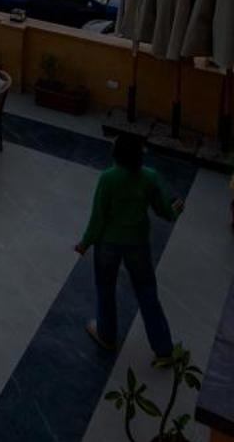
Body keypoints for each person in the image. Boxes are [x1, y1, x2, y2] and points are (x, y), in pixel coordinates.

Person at [77, 132, 184, 362]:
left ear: (116, 155)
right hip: (138, 244)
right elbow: (164, 211)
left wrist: (85, 243)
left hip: (107, 244)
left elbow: (98, 218)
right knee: (147, 293)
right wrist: (176, 209)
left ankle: (106, 335)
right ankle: (163, 348)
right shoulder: (149, 177)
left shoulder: (107, 178)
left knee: (105, 289)